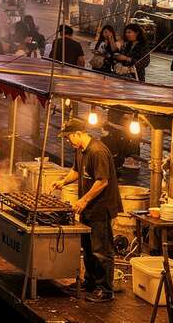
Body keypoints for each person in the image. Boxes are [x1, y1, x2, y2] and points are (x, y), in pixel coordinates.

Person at [52, 118, 122, 302]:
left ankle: (106, 290)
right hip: (87, 208)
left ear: (78, 133)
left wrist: (83, 199)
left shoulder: (97, 152)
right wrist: (62, 181)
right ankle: (90, 282)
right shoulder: (81, 150)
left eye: (69, 137)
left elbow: (102, 181)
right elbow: (76, 171)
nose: (68, 141)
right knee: (88, 248)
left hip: (101, 208)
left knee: (101, 250)